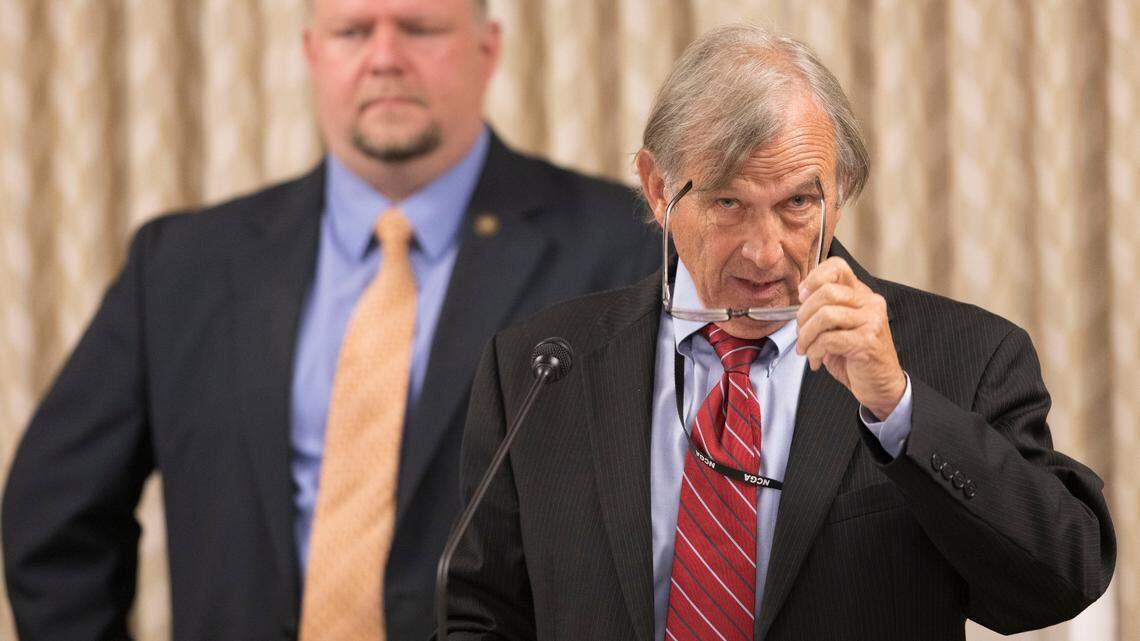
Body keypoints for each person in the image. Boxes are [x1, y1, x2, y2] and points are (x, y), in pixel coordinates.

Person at [2, 0, 658, 640]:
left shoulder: (626, 248)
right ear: (312, 54)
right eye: (352, 31)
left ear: (488, 50)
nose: (385, 58)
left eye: (420, 28)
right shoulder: (182, 265)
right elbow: (53, 511)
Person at [444, 24, 1115, 641]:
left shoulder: (967, 356)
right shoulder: (541, 366)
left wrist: (899, 408)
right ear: (658, 187)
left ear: (840, 189)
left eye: (797, 202)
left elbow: (1060, 581)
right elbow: (481, 615)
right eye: (727, 203)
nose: (764, 252)